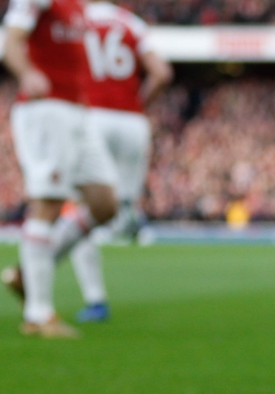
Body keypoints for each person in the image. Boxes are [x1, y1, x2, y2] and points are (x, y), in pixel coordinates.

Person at [0, 0, 119, 338]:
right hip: (46, 109)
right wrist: (26, 73)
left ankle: (30, 271)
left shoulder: (78, 6)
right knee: (48, 204)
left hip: (78, 111)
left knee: (105, 203)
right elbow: (11, 39)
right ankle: (38, 315)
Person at [69, 0, 174, 324]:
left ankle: (95, 299)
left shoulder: (76, 19)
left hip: (93, 117)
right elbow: (161, 73)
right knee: (122, 202)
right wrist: (137, 103)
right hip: (133, 123)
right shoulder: (131, 23)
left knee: (81, 211)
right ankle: (128, 211)